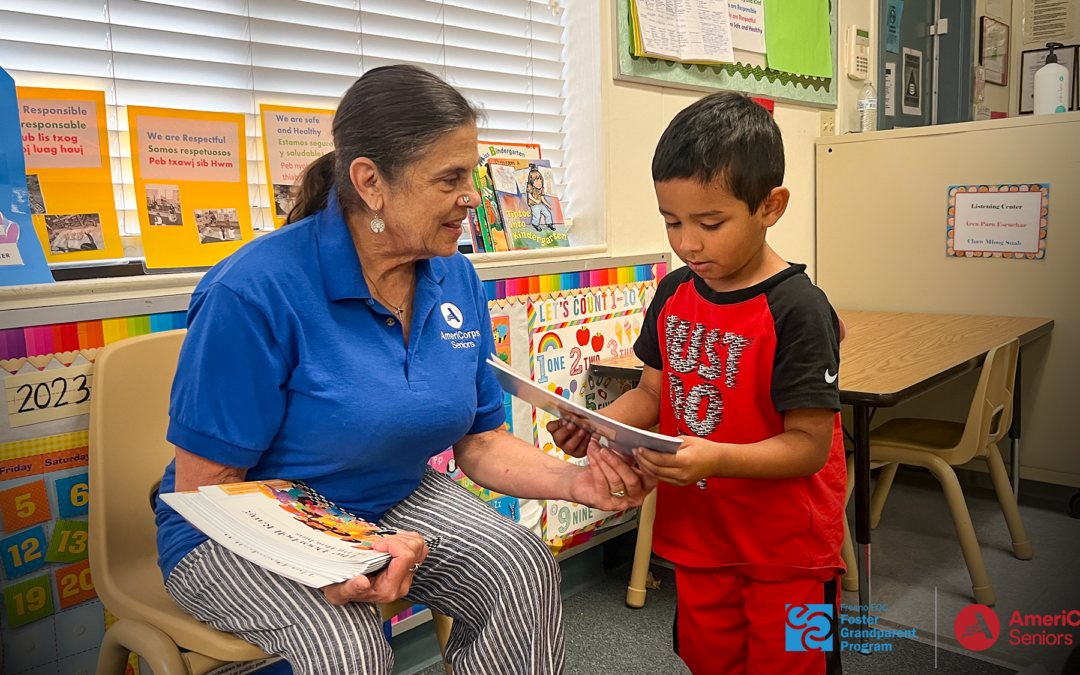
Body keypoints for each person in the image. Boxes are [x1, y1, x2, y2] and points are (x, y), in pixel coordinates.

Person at [155, 64, 655, 675]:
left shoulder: (455, 277)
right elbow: (208, 490)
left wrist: (574, 480)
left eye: (470, 174)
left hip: (389, 500)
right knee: (348, 647)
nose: (472, 195)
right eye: (450, 178)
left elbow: (480, 441)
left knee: (520, 566)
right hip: (238, 531)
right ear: (370, 181)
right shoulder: (254, 291)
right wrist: (335, 552)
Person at [550, 92, 846, 675]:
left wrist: (714, 459)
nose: (687, 242)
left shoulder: (799, 311)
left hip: (788, 549)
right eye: (672, 221)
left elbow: (810, 447)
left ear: (771, 205)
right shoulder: (674, 293)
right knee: (711, 660)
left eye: (710, 223)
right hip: (700, 535)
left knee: (791, 666)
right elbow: (653, 397)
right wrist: (599, 424)